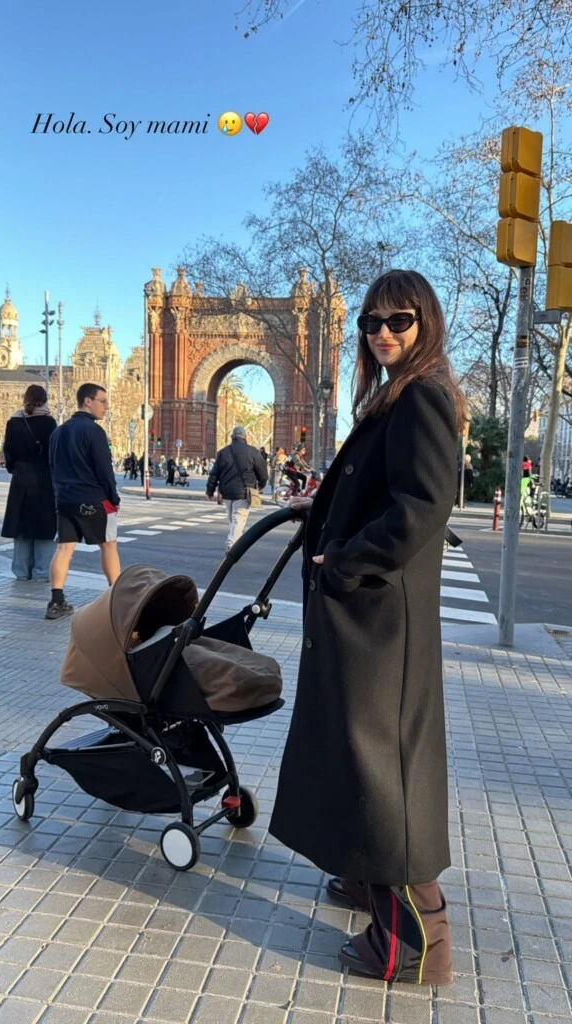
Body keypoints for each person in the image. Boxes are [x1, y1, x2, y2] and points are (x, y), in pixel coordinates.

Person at [270, 269, 466, 987]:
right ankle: (365, 877)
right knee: (361, 758)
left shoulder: (421, 397)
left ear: (426, 324)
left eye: (400, 321)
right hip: (372, 615)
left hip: (382, 619)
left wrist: (344, 561)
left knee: (387, 772)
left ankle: (414, 946)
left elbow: (422, 509)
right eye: (372, 322)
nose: (383, 333)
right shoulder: (397, 393)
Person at [46, 383, 121, 620]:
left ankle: (56, 601)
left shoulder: (58, 432)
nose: (106, 407)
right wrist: (113, 497)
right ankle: (115, 601)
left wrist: (59, 494)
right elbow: (104, 469)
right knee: (108, 545)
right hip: (93, 498)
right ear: (88, 401)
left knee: (64, 548)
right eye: (103, 401)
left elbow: (52, 467)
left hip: (65, 499)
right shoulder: (94, 432)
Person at [1, 385, 57, 581]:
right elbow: (54, 454)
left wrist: (17, 469)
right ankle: (42, 573)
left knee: (21, 528)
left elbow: (7, 454)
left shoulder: (14, 422)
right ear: (45, 400)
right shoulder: (49, 422)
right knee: (44, 528)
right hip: (44, 482)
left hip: (21, 481)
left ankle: (22, 573)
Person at [205, 426, 268, 551]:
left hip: (227, 492)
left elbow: (214, 473)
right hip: (245, 491)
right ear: (245, 437)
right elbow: (262, 471)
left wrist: (210, 490)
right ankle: (232, 544)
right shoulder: (253, 452)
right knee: (238, 518)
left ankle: (236, 540)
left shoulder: (223, 452)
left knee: (232, 518)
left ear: (232, 437)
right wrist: (262, 484)